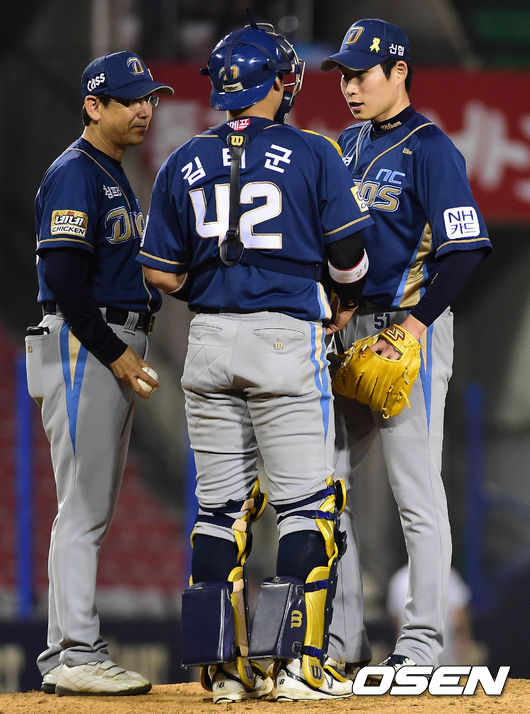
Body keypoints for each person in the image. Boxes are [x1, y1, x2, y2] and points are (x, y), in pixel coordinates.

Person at [138, 19, 374, 703]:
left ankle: (221, 674)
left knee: (219, 512)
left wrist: (216, 287)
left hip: (208, 343)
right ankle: (294, 666)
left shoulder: (182, 159)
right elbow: (349, 258)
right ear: (277, 82)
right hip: (284, 338)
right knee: (307, 508)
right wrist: (343, 301)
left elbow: (159, 271)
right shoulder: (314, 150)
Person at [320, 18, 492, 674]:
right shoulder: (345, 144)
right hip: (351, 329)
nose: (349, 87)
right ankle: (341, 644)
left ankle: (420, 645)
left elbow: (464, 251)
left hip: (408, 328)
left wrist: (415, 327)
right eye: (343, 75)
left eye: (361, 74)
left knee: (416, 492)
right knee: (325, 486)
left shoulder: (431, 149)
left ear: (398, 72)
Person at [25, 51, 174, 696]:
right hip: (82, 343)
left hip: (99, 341)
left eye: (149, 97)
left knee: (89, 509)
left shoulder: (110, 172)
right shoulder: (75, 173)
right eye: (130, 99)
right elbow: (63, 275)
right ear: (94, 105)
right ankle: (75, 652)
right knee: (82, 509)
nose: (145, 108)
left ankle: (67, 652)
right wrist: (115, 352)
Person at [388, 565, 485, 666]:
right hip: (441, 654)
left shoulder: (399, 579)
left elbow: (397, 625)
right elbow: (461, 620)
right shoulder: (448, 574)